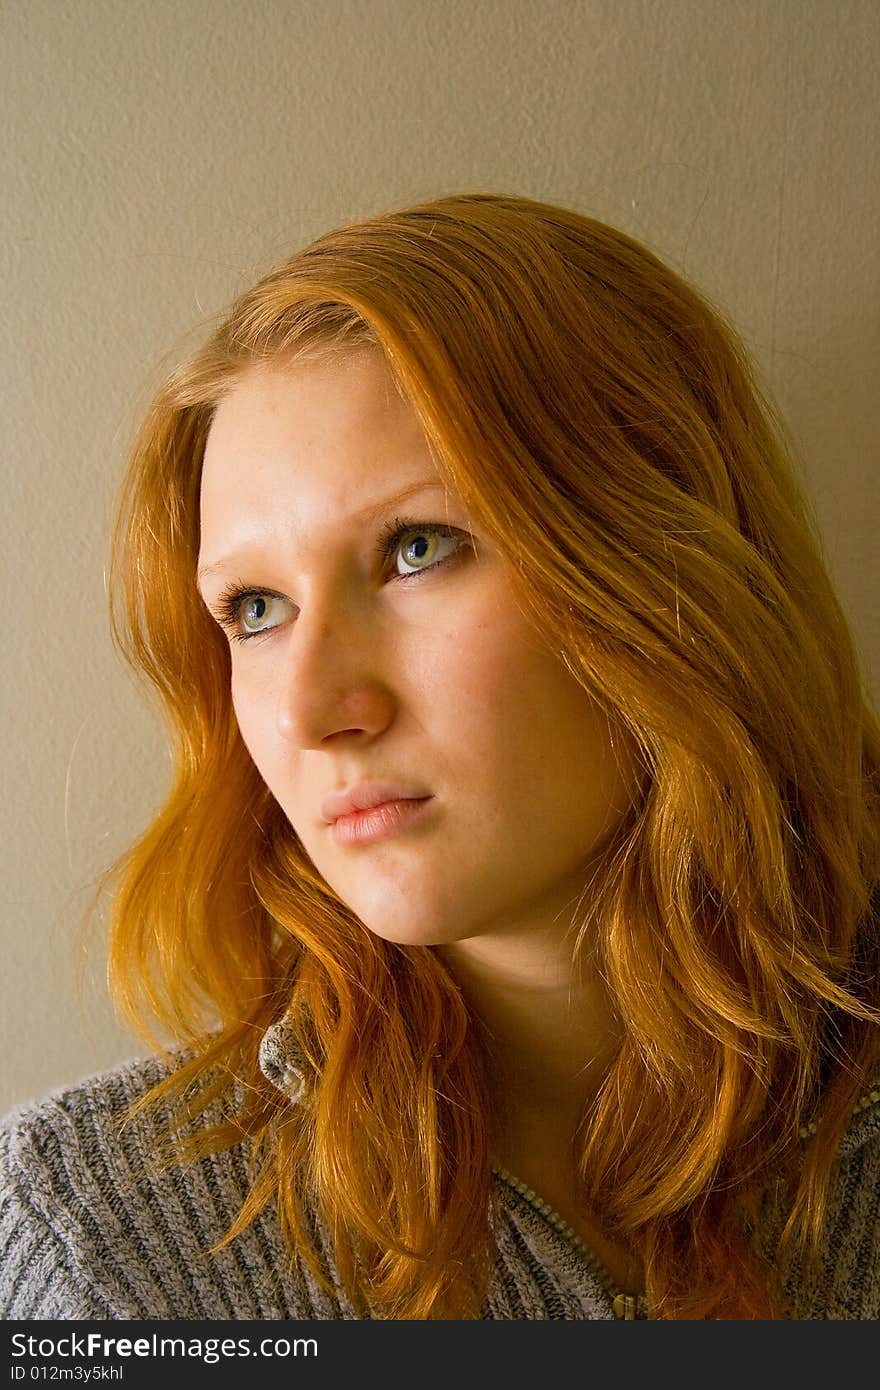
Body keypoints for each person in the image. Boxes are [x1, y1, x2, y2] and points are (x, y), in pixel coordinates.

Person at [2, 192, 879, 1322]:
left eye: (418, 549)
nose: (315, 709)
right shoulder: (100, 1249)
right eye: (255, 608)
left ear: (670, 570)